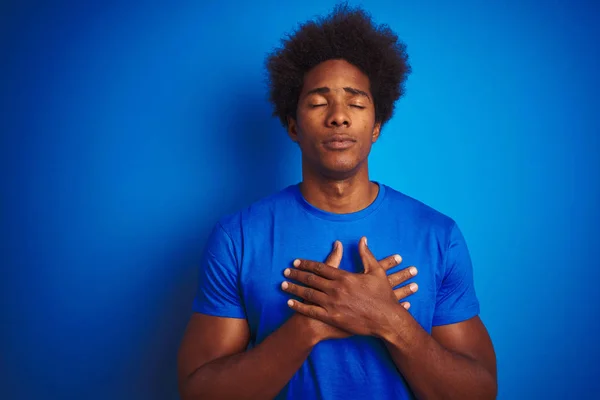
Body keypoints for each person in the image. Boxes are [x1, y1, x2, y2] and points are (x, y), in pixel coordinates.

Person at [177, 5, 497, 399]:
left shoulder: (439, 235)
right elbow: (200, 393)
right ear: (293, 125)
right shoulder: (238, 237)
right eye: (318, 102)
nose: (339, 117)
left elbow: (478, 392)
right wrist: (310, 325)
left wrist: (389, 320)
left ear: (376, 126)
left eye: (356, 103)